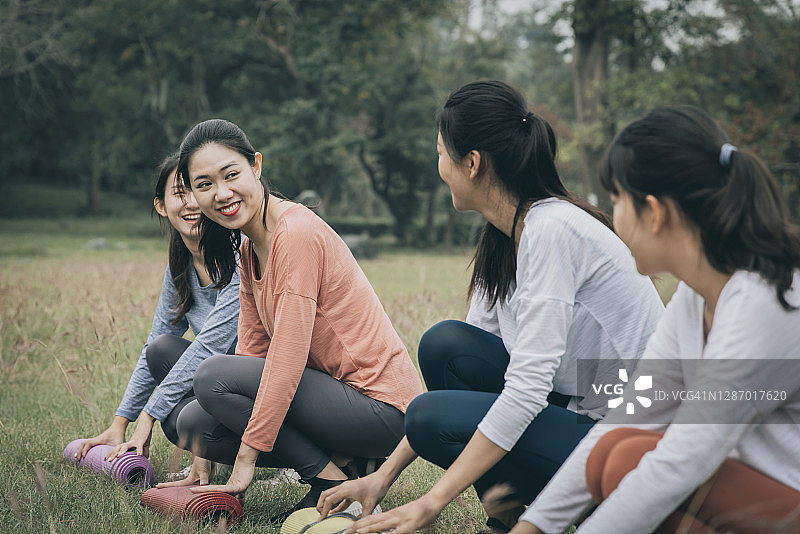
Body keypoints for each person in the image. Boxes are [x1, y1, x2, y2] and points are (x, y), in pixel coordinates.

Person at [318, 80, 665, 534]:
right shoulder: (506, 235)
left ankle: (584, 511)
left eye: (441, 153)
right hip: (582, 404)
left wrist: (430, 503)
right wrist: (381, 478)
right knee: (445, 346)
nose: (439, 167)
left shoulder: (551, 230)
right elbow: (472, 379)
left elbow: (525, 391)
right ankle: (508, 515)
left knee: (427, 415)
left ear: (472, 163)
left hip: (634, 434)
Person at [510, 106, 800, 534]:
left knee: (626, 460)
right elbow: (628, 415)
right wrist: (532, 526)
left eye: (616, 201)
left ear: (654, 212)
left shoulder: (762, 301)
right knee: (613, 450)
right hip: (749, 492)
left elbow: (683, 459)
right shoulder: (694, 298)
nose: (614, 219)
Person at [159, 119, 423, 519]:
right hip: (332, 398)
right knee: (191, 422)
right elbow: (253, 352)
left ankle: (331, 482)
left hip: (381, 409)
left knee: (211, 377)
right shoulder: (248, 249)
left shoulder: (295, 234)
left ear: (256, 166)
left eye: (231, 175)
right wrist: (204, 457)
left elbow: (286, 357)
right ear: (194, 194)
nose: (222, 193)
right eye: (205, 184)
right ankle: (344, 469)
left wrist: (247, 455)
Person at [75, 154, 240, 466]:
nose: (191, 203)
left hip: (266, 380)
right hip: (223, 382)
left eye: (198, 189)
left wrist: (149, 415)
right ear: (161, 206)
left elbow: (211, 346)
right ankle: (213, 459)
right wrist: (120, 423)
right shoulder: (180, 265)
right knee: (162, 354)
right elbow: (157, 341)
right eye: (179, 193)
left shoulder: (240, 253)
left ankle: (297, 456)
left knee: (191, 398)